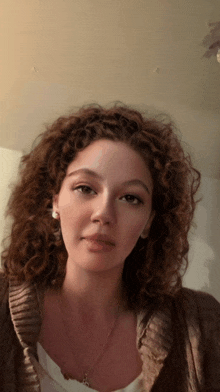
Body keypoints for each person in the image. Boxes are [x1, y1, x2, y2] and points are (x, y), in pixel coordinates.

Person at [0, 104, 220, 392]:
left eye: (130, 197)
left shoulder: (200, 324)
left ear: (149, 222)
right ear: (54, 201)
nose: (103, 214)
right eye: (85, 188)